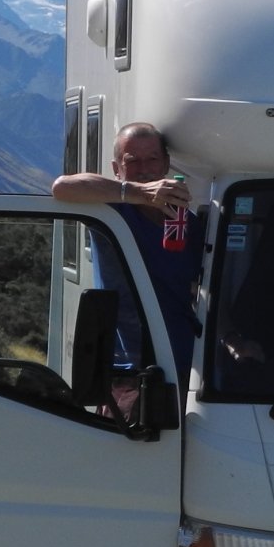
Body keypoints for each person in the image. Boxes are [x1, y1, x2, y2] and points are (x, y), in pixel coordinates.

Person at [52, 122, 205, 384]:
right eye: (132, 161)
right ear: (117, 169)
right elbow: (62, 188)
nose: (144, 169)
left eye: (152, 159)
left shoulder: (188, 223)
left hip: (182, 360)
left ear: (166, 164)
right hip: (126, 368)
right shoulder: (111, 210)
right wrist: (140, 193)